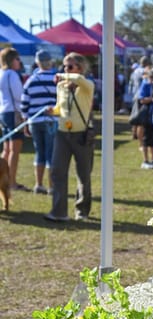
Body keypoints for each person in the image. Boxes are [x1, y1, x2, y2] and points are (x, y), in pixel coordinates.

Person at [44, 52, 95, 223]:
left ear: (80, 68)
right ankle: (59, 212)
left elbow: (79, 80)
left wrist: (62, 75)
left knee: (84, 174)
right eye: (64, 66)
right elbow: (60, 108)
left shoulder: (86, 85)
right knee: (57, 171)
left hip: (82, 135)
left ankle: (82, 211)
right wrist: (54, 111)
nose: (66, 69)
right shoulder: (61, 87)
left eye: (70, 66)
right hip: (62, 133)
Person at [21, 49, 58, 194]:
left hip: (35, 120)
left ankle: (38, 184)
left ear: (37, 63)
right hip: (52, 120)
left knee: (39, 152)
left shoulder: (31, 80)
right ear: (50, 62)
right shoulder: (56, 79)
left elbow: (24, 104)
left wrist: (25, 122)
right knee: (51, 153)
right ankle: (52, 186)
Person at [0, 47, 26, 191]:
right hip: (14, 112)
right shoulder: (12, 74)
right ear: (11, 60)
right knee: (15, 150)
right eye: (17, 59)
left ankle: (4, 178)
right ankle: (11, 182)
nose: (19, 62)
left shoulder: (2, 73)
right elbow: (19, 95)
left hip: (3, 112)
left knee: (6, 149)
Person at [137, 68, 153, 168]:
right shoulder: (146, 85)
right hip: (147, 115)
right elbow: (142, 99)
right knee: (146, 139)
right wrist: (152, 99)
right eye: (151, 77)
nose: (152, 79)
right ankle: (145, 160)